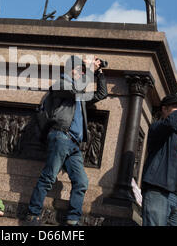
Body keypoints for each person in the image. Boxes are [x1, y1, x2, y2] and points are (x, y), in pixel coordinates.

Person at [26, 55, 108, 226]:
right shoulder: (60, 84)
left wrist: (99, 72)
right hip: (61, 136)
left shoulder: (80, 95)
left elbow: (101, 94)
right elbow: (76, 89)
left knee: (81, 181)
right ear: (70, 69)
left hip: (74, 144)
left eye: (83, 71)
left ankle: (73, 219)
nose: (82, 73)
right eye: (79, 69)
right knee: (48, 177)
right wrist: (90, 68)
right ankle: (33, 215)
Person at [141, 87, 177, 226]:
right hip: (159, 191)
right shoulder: (158, 127)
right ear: (164, 109)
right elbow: (171, 123)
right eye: (175, 107)